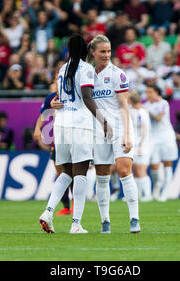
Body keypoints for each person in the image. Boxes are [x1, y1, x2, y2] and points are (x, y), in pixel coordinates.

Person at [39, 35, 108, 234]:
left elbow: (60, 99)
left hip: (61, 124)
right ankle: (76, 224)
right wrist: (103, 121)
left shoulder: (62, 69)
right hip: (80, 124)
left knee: (66, 173)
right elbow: (86, 97)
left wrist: (53, 104)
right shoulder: (85, 69)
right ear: (86, 50)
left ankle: (48, 211)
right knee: (80, 174)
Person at [86, 34, 141, 233]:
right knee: (102, 176)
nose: (107, 55)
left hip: (119, 127)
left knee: (125, 170)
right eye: (103, 51)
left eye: (109, 51)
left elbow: (124, 106)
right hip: (98, 130)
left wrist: (127, 134)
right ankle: (105, 221)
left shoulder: (118, 74)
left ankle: (134, 218)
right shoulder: (87, 75)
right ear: (93, 52)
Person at [33, 81, 73, 216]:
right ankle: (66, 207)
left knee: (73, 173)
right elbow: (43, 115)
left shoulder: (72, 94)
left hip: (73, 138)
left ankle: (75, 205)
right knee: (61, 174)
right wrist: (37, 128)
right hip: (57, 140)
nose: (55, 86)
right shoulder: (51, 97)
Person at [144, 84, 179, 201]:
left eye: (150, 92)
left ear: (156, 93)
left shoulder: (163, 103)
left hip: (166, 137)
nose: (147, 94)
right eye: (147, 92)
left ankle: (165, 192)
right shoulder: (146, 105)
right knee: (154, 165)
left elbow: (158, 118)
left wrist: (146, 112)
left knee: (167, 164)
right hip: (153, 138)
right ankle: (157, 187)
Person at [129, 91, 152, 202]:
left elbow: (144, 129)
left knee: (141, 170)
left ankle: (147, 194)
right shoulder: (133, 111)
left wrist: (141, 144)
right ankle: (138, 194)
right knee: (136, 170)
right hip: (136, 143)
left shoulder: (142, 112)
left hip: (142, 144)